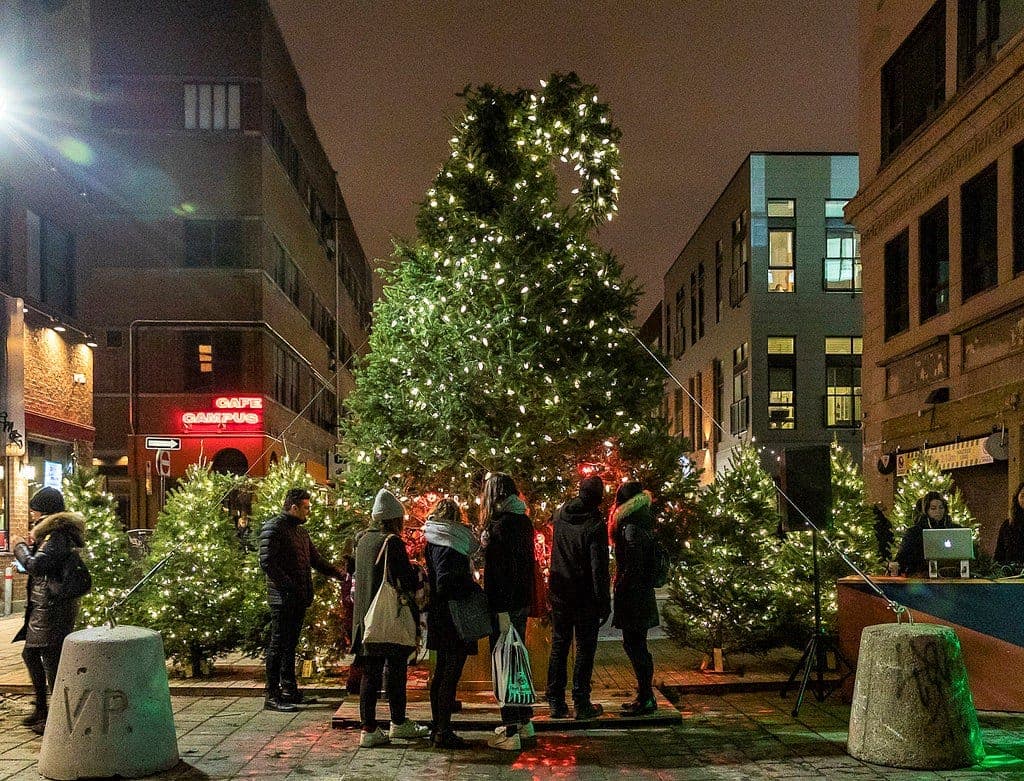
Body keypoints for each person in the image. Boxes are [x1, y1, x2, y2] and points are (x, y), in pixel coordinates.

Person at [351, 488, 430, 748]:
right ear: (394, 519)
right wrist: (417, 569)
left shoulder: (362, 539)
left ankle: (369, 728)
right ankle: (398, 722)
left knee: (370, 673)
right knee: (395, 670)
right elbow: (404, 578)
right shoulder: (391, 542)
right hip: (387, 616)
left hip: (366, 618)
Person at [259, 487, 346, 712]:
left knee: (289, 645)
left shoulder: (299, 532)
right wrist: (288, 587)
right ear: (293, 507)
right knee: (278, 645)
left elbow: (315, 560)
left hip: (297, 598)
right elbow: (267, 562)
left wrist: (339, 574)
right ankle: (272, 694)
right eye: (306, 507)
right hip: (283, 598)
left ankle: (290, 690)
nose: (309, 512)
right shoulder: (274, 528)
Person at [12, 487, 86, 735]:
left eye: (34, 508)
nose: (31, 513)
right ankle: (43, 709)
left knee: (51, 661)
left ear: (44, 510)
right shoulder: (52, 534)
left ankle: (56, 717)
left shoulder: (56, 536)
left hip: (51, 608)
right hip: (43, 606)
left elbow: (37, 565)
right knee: (31, 655)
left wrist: (19, 547)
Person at [546, 475, 610, 721]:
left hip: (560, 589)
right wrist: (603, 600)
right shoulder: (594, 524)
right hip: (584, 595)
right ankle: (581, 702)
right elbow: (598, 566)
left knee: (560, 645)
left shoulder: (561, 514)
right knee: (584, 647)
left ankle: (555, 701)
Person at [481, 473, 535, 751]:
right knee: (518, 658)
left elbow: (498, 573)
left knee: (505, 663)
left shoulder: (500, 526)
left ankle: (511, 728)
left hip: (503, 604)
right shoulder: (524, 521)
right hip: (521, 601)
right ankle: (525, 721)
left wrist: (498, 607)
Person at [423, 498, 479, 749]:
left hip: (440, 614)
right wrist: (471, 587)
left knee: (442, 673)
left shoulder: (434, 541)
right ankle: (443, 729)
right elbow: (445, 581)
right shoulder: (449, 544)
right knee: (449, 673)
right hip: (452, 617)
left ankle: (439, 727)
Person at [609, 481, 660, 716]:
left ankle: (646, 697)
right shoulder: (643, 520)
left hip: (634, 596)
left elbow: (633, 564)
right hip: (642, 594)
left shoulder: (629, 527)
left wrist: (621, 585)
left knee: (635, 645)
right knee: (637, 645)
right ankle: (644, 695)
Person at [895, 491, 958, 576]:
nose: (938, 511)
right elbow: (902, 558)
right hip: (921, 577)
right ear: (926, 510)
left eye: (941, 507)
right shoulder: (914, 532)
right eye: (933, 508)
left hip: (952, 576)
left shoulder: (955, 529)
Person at [994, 482, 1024, 566]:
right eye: (1023, 496)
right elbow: (998, 556)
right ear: (1017, 498)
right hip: (1011, 575)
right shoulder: (1007, 525)